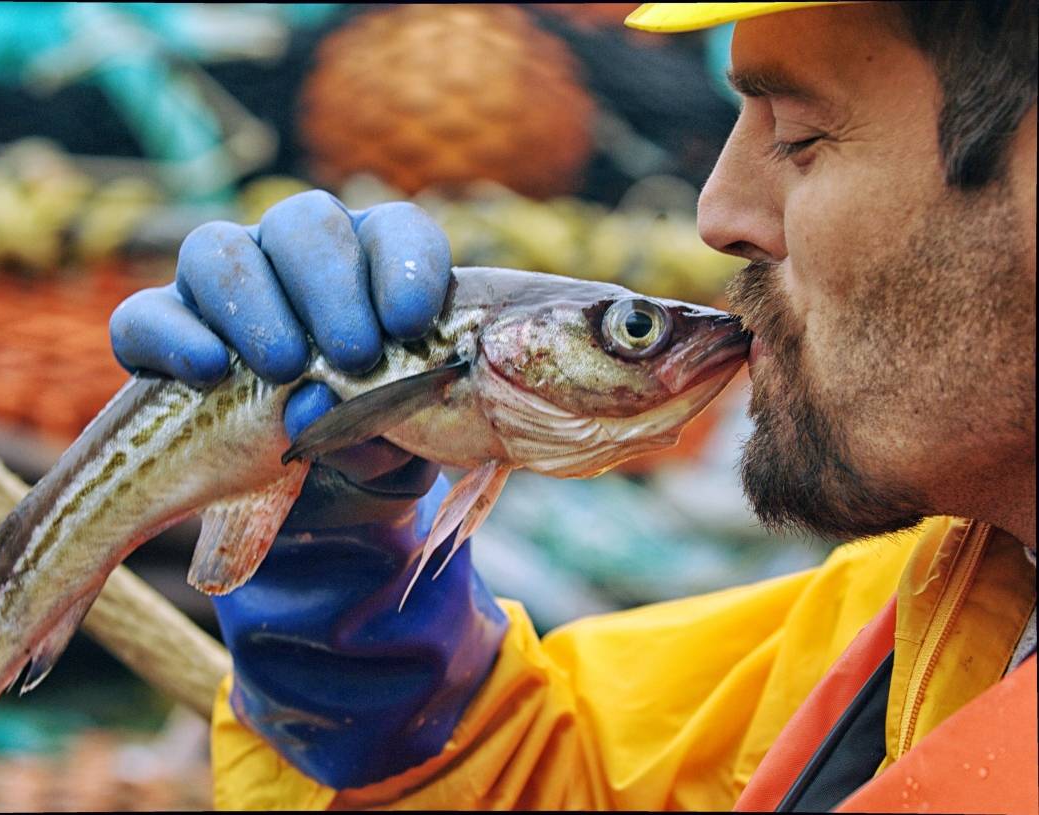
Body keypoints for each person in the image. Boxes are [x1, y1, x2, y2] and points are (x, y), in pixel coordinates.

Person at [108, 2, 1036, 810]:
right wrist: (356, 626)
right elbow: (566, 780)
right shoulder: (945, 603)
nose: (717, 214)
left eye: (798, 136)